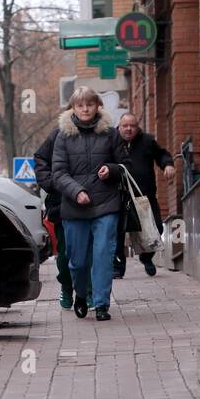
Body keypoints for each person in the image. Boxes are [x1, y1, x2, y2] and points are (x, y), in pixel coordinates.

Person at [49, 87, 124, 321]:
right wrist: (77, 191)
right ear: (73, 107)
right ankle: (80, 294)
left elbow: (125, 165)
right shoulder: (63, 136)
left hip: (106, 204)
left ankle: (102, 304)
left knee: (103, 255)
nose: (85, 109)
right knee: (78, 261)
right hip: (75, 207)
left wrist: (111, 170)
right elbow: (58, 173)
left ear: (97, 106)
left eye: (89, 104)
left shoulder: (111, 134)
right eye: (80, 105)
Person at [111, 112, 175, 278]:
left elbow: (161, 154)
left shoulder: (146, 141)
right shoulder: (112, 141)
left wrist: (167, 165)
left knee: (158, 228)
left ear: (137, 127)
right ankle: (117, 269)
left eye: (132, 125)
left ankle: (146, 257)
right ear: (119, 126)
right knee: (117, 232)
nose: (129, 129)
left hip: (144, 196)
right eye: (125, 126)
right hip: (119, 196)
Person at [33, 123, 72, 309]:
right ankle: (66, 285)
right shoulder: (58, 134)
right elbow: (40, 159)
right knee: (65, 252)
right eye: (79, 107)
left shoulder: (101, 133)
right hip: (62, 203)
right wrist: (50, 183)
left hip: (92, 203)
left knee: (91, 251)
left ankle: (89, 291)